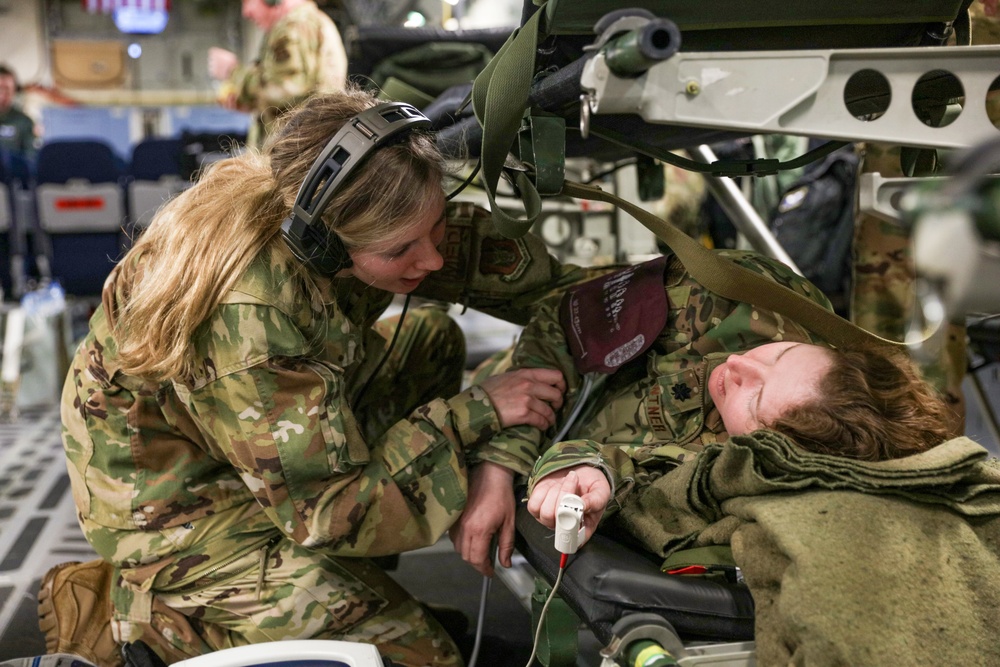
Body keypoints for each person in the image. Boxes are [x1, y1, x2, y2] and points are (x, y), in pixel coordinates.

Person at [41, 87, 569, 667]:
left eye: (436, 227)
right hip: (179, 504)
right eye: (401, 251)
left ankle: (338, 596)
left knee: (430, 341)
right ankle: (150, 625)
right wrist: (479, 412)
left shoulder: (339, 200)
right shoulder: (251, 317)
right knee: (419, 657)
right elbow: (328, 513)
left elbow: (545, 284)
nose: (432, 261)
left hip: (243, 435)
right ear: (322, 244)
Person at [450, 249, 957, 574]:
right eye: (775, 356)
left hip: (558, 437)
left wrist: (580, 468)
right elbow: (560, 317)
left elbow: (637, 469)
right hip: (517, 383)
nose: (738, 365)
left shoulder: (737, 466)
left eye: (754, 401)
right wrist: (500, 465)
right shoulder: (733, 298)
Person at [208, 0, 348, 148]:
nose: (245, 12)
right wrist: (250, 101)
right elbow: (288, 97)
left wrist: (233, 72)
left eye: (248, 2)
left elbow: (284, 88)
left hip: (295, 152)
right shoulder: (298, 24)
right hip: (295, 150)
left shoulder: (296, 26)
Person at [0, 64, 37, 160]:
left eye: (7, 90)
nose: (2, 96)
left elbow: (31, 158)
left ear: (14, 91)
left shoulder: (24, 122)